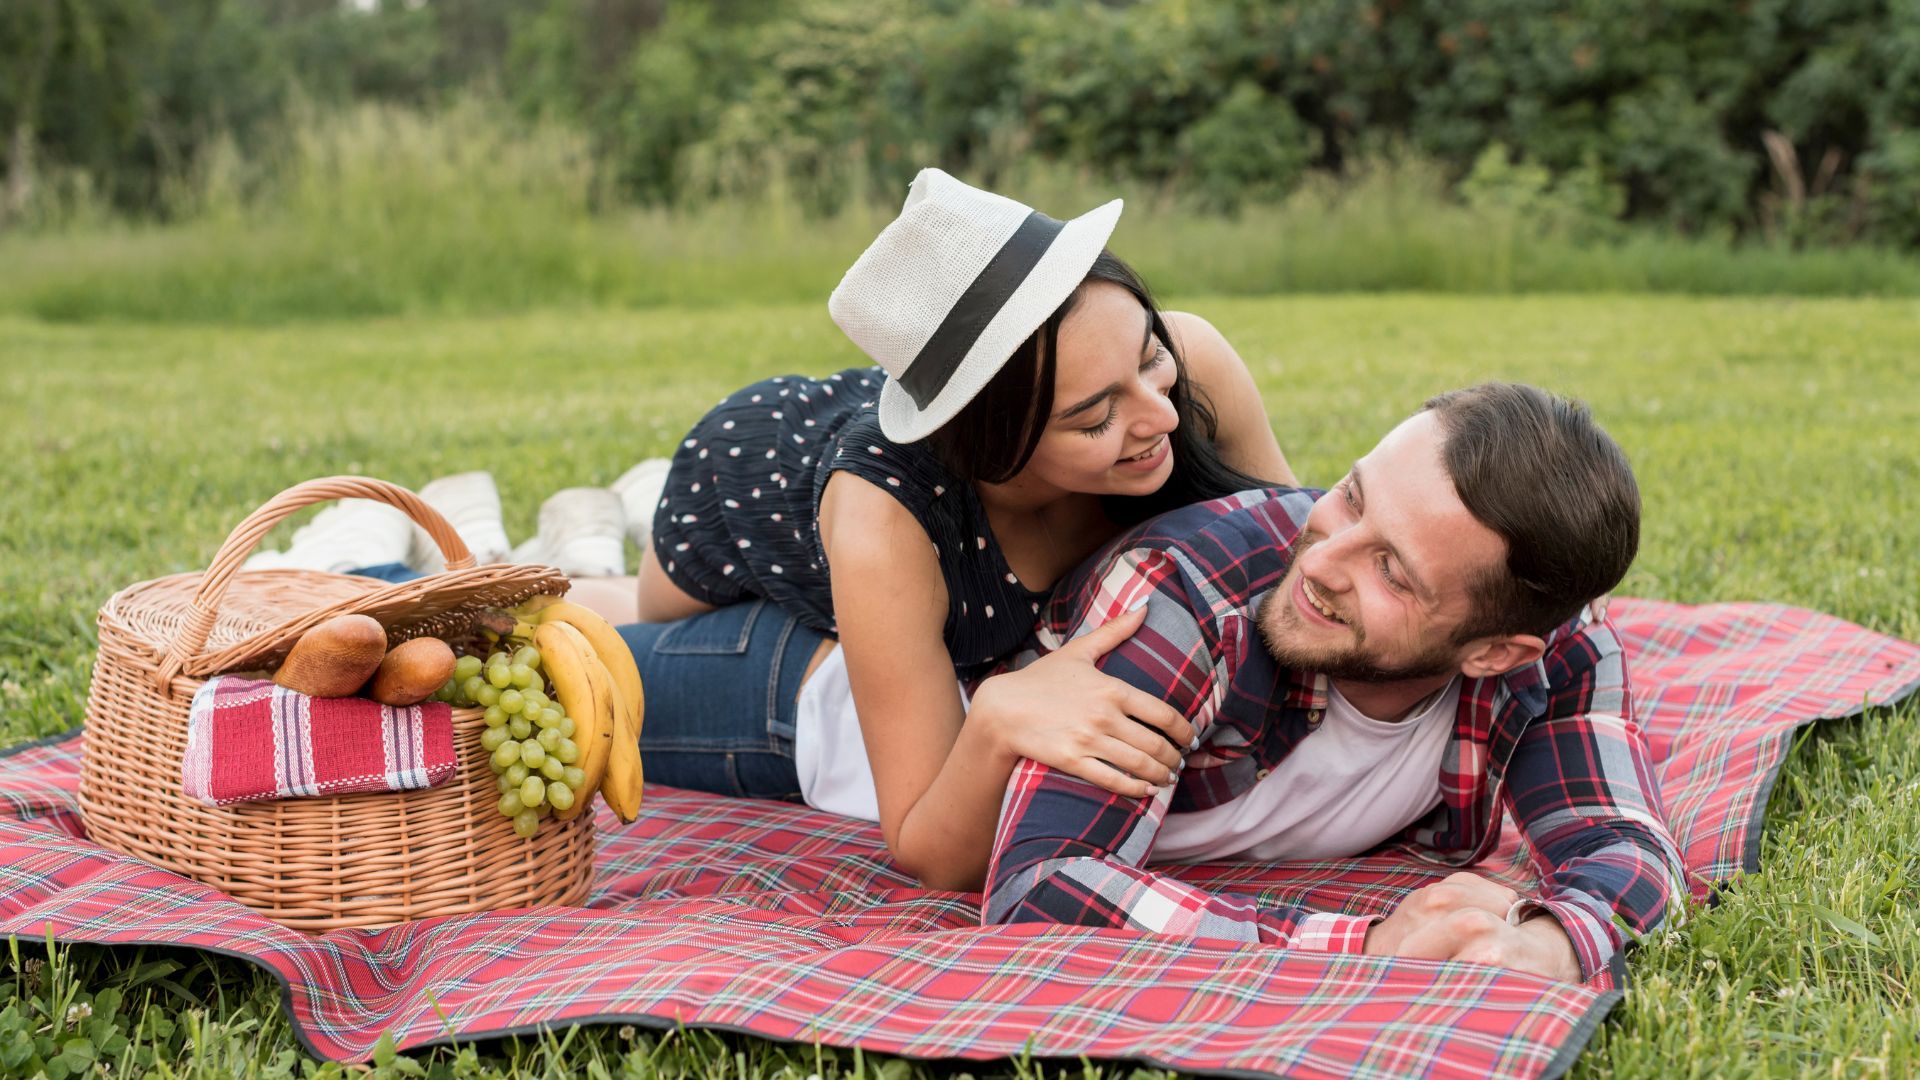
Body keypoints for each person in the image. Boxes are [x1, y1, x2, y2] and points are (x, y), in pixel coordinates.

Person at [617, 167, 1295, 890]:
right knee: (636, 612)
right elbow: (923, 844)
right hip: (745, 488)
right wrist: (997, 716)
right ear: (991, 445)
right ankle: (599, 533)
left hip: (866, 518)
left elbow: (1288, 539)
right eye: (1096, 416)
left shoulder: (1194, 367)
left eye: (1149, 356)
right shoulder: (887, 523)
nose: (1160, 414)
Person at [979, 382, 1687, 984]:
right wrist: (1367, 945)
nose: (1319, 562)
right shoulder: (1183, 599)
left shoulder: (1557, 649)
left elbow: (1625, 847)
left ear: (1496, 652)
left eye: (1392, 571)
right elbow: (1039, 885)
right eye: (1352, 496)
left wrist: (1552, 946)